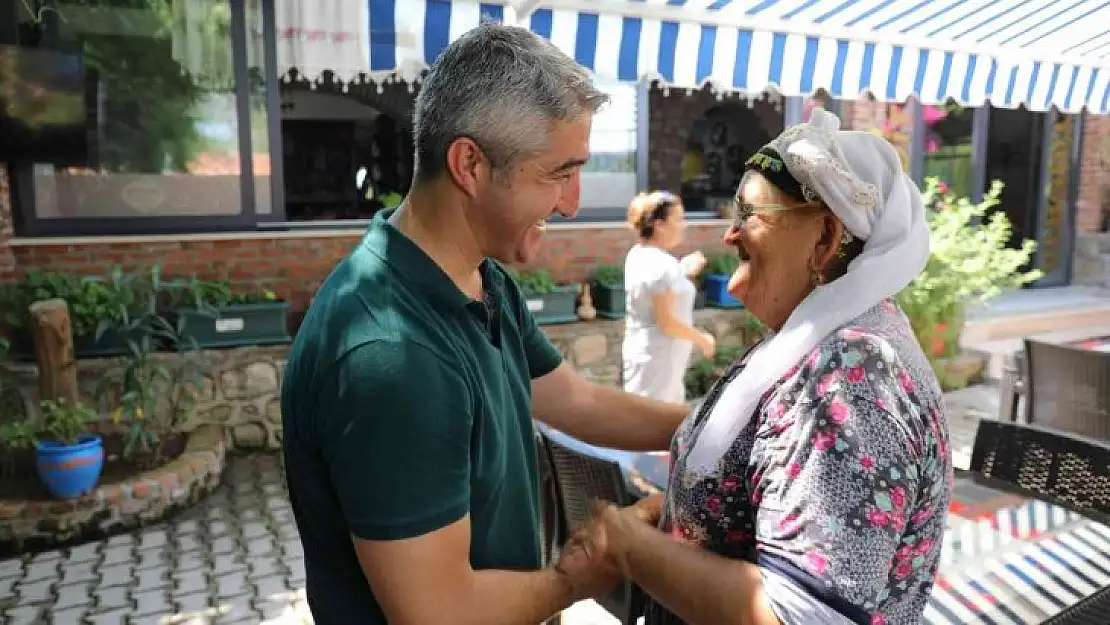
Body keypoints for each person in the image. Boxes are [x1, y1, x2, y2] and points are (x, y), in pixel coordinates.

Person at [279, 24, 690, 625]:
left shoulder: (478, 276)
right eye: (557, 173)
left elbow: (574, 401)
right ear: (469, 163)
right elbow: (440, 614)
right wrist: (587, 571)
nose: (571, 203)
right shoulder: (392, 355)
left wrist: (710, 428)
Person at [574, 108, 954, 625]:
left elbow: (798, 614)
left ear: (825, 238)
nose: (730, 237)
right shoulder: (814, 341)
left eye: (749, 215)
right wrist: (676, 515)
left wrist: (630, 544)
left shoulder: (848, 379)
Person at [623, 191, 716, 403]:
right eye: (679, 219)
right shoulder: (662, 266)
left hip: (651, 357)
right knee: (652, 420)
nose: (683, 225)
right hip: (659, 361)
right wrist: (702, 339)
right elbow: (667, 323)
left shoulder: (640, 254)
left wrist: (681, 270)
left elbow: (659, 287)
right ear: (659, 224)